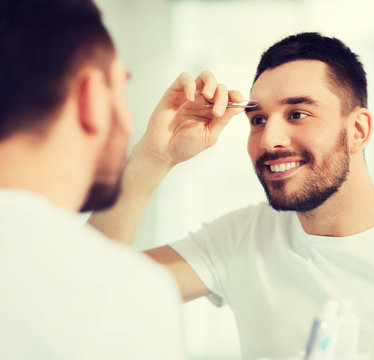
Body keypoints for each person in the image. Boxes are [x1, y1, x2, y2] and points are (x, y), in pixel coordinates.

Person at [90, 33, 374, 360]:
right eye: (258, 119)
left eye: (297, 114)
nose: (269, 140)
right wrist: (153, 156)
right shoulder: (242, 239)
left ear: (358, 130)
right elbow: (90, 291)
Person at [0, 0, 245, 358]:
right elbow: (85, 288)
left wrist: (155, 157)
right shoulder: (130, 296)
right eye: (121, 87)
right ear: (92, 97)